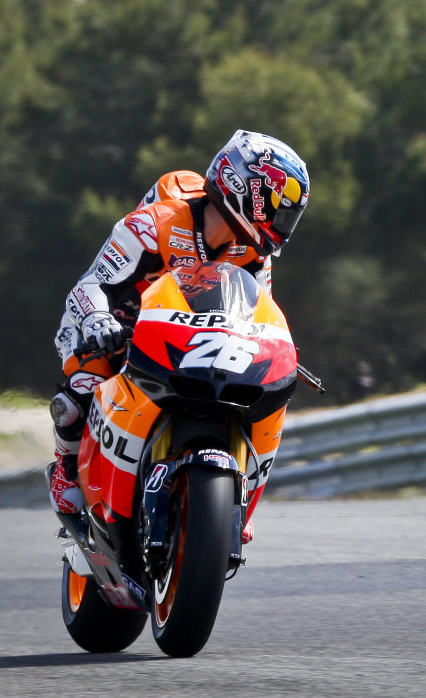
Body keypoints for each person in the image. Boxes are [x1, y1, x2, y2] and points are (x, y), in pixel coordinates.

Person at [49, 129, 310, 543]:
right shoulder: (156, 224)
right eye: (279, 210)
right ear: (245, 190)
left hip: (189, 336)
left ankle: (236, 499)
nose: (282, 224)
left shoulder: (253, 254)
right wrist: (100, 320)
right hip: (119, 325)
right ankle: (65, 471)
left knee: (264, 394)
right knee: (80, 390)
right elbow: (88, 286)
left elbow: (259, 310)